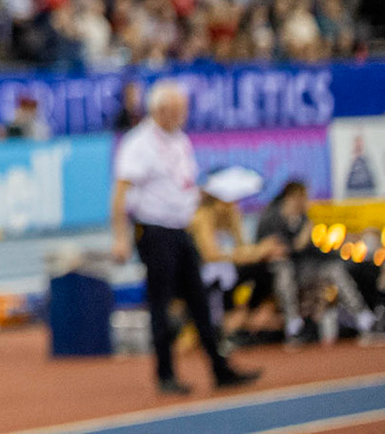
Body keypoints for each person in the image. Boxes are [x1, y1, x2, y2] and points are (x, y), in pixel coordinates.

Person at [111, 80, 261, 395]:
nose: (184, 114)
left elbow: (183, 185)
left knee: (200, 301)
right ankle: (165, 374)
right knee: (161, 304)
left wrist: (212, 193)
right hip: (154, 231)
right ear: (161, 109)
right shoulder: (138, 144)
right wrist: (120, 238)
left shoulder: (180, 140)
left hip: (182, 229)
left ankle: (220, 369)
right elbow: (120, 194)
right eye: (179, 109)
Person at [256, 179, 377, 344]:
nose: (307, 201)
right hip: (273, 273)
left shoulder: (303, 218)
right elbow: (278, 250)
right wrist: (302, 237)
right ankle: (293, 324)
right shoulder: (271, 218)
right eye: (303, 197)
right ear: (293, 197)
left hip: (304, 269)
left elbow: (313, 252)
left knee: (334, 270)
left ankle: (363, 317)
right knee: (284, 271)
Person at [190, 174, 281, 342]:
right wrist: (255, 252)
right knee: (223, 273)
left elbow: (242, 247)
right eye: (228, 201)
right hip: (204, 273)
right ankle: (228, 321)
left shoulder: (232, 214)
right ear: (217, 200)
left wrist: (261, 251)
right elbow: (211, 255)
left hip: (227, 269)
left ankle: (250, 314)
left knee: (265, 266)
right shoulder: (202, 217)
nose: (233, 205)